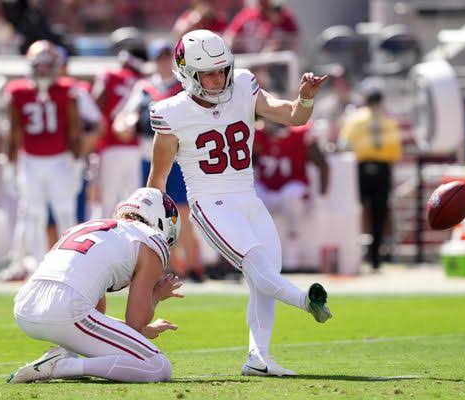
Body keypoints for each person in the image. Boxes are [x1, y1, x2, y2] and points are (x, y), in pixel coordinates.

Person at [147, 29, 331, 376]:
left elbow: (293, 116)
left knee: (265, 276)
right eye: (209, 73)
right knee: (259, 265)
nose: (218, 79)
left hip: (248, 197)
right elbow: (158, 179)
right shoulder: (171, 112)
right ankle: (306, 300)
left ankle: (257, 358)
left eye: (222, 70)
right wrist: (152, 229)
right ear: (188, 73)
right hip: (209, 202)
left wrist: (305, 97)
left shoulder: (244, 84)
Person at [7, 188, 182, 383]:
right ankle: (61, 366)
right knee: (158, 366)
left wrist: (141, 332)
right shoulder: (150, 239)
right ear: (163, 223)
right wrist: (156, 294)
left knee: (101, 343)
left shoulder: (95, 229)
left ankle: (64, 357)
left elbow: (95, 317)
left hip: (25, 308)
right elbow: (136, 322)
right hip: (66, 310)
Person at [114, 39, 204, 282]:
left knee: (183, 213)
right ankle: (174, 266)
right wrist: (126, 123)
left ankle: (195, 265)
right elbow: (125, 117)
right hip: (148, 156)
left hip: (178, 157)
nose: (163, 62)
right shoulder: (144, 88)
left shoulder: (184, 86)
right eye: (159, 57)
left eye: (167, 57)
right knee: (158, 214)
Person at [0, 40, 82, 281]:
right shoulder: (18, 91)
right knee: (34, 214)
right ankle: (38, 265)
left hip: (60, 160)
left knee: (65, 212)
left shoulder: (68, 90)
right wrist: (10, 164)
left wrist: (77, 162)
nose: (43, 70)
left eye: (48, 65)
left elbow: (74, 130)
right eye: (40, 64)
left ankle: (72, 262)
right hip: (31, 161)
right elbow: (13, 131)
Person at [339, 77, 402, 271]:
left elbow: (344, 144)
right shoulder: (389, 121)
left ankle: (353, 256)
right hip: (382, 169)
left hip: (360, 168)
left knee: (356, 213)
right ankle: (375, 259)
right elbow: (396, 151)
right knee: (379, 215)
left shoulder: (355, 119)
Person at [254, 120, 329, 270]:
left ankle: (291, 258)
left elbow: (322, 164)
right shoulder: (257, 134)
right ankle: (254, 256)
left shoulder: (300, 134)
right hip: (267, 187)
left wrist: (322, 195)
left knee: (291, 196)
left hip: (292, 186)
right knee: (251, 195)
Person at [92, 41, 147, 219]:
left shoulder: (109, 75)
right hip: (136, 148)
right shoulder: (143, 82)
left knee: (108, 203)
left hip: (111, 146)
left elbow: (96, 105)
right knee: (134, 203)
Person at [224, 0, 299, 54]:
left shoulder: (284, 17)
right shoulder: (248, 14)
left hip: (274, 63)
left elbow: (294, 40)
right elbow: (230, 35)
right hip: (247, 57)